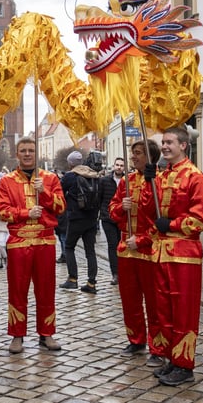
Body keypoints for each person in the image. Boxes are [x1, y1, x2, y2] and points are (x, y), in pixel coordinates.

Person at [145, 126, 203, 386]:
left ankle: (185, 365)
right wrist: (148, 182)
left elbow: (201, 219)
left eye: (170, 142)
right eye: (163, 142)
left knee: (183, 311)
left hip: (184, 255)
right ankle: (173, 359)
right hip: (161, 253)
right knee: (165, 311)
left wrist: (171, 224)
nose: (164, 146)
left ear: (183, 145)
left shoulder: (195, 177)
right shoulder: (161, 176)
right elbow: (150, 211)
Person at [0, 137, 66, 354]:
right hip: (19, 242)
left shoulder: (50, 178)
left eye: (31, 150)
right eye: (23, 150)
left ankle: (47, 333)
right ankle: (17, 334)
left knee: (46, 289)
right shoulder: (6, 181)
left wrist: (44, 192)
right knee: (17, 290)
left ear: (37, 153)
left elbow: (61, 207)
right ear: (17, 154)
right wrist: (26, 213)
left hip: (45, 241)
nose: (27, 154)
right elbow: (3, 211)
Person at [109, 140, 161, 362]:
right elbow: (112, 211)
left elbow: (162, 218)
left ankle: (158, 346)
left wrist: (141, 240)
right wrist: (122, 207)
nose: (133, 157)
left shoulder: (160, 181)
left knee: (154, 301)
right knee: (130, 300)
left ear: (150, 156)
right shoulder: (126, 181)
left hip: (150, 249)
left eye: (138, 153)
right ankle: (136, 340)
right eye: (133, 153)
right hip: (126, 249)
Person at [59, 151, 101, 294]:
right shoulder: (93, 174)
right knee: (90, 251)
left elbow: (59, 192)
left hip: (76, 218)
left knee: (69, 247)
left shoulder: (70, 176)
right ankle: (91, 283)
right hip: (92, 218)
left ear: (70, 163)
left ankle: (72, 279)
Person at [98, 157, 124, 285]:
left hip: (122, 218)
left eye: (121, 165)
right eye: (117, 165)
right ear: (114, 166)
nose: (119, 167)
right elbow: (99, 198)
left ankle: (123, 272)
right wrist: (101, 213)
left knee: (122, 245)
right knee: (112, 245)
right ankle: (115, 274)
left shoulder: (127, 180)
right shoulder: (105, 181)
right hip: (108, 218)